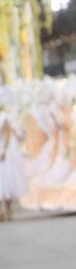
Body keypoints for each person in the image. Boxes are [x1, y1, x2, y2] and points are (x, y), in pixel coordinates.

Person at [0, 88, 28, 222]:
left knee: (6, 180)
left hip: (3, 151)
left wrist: (3, 150)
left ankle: (7, 209)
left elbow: (6, 135)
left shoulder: (4, 118)